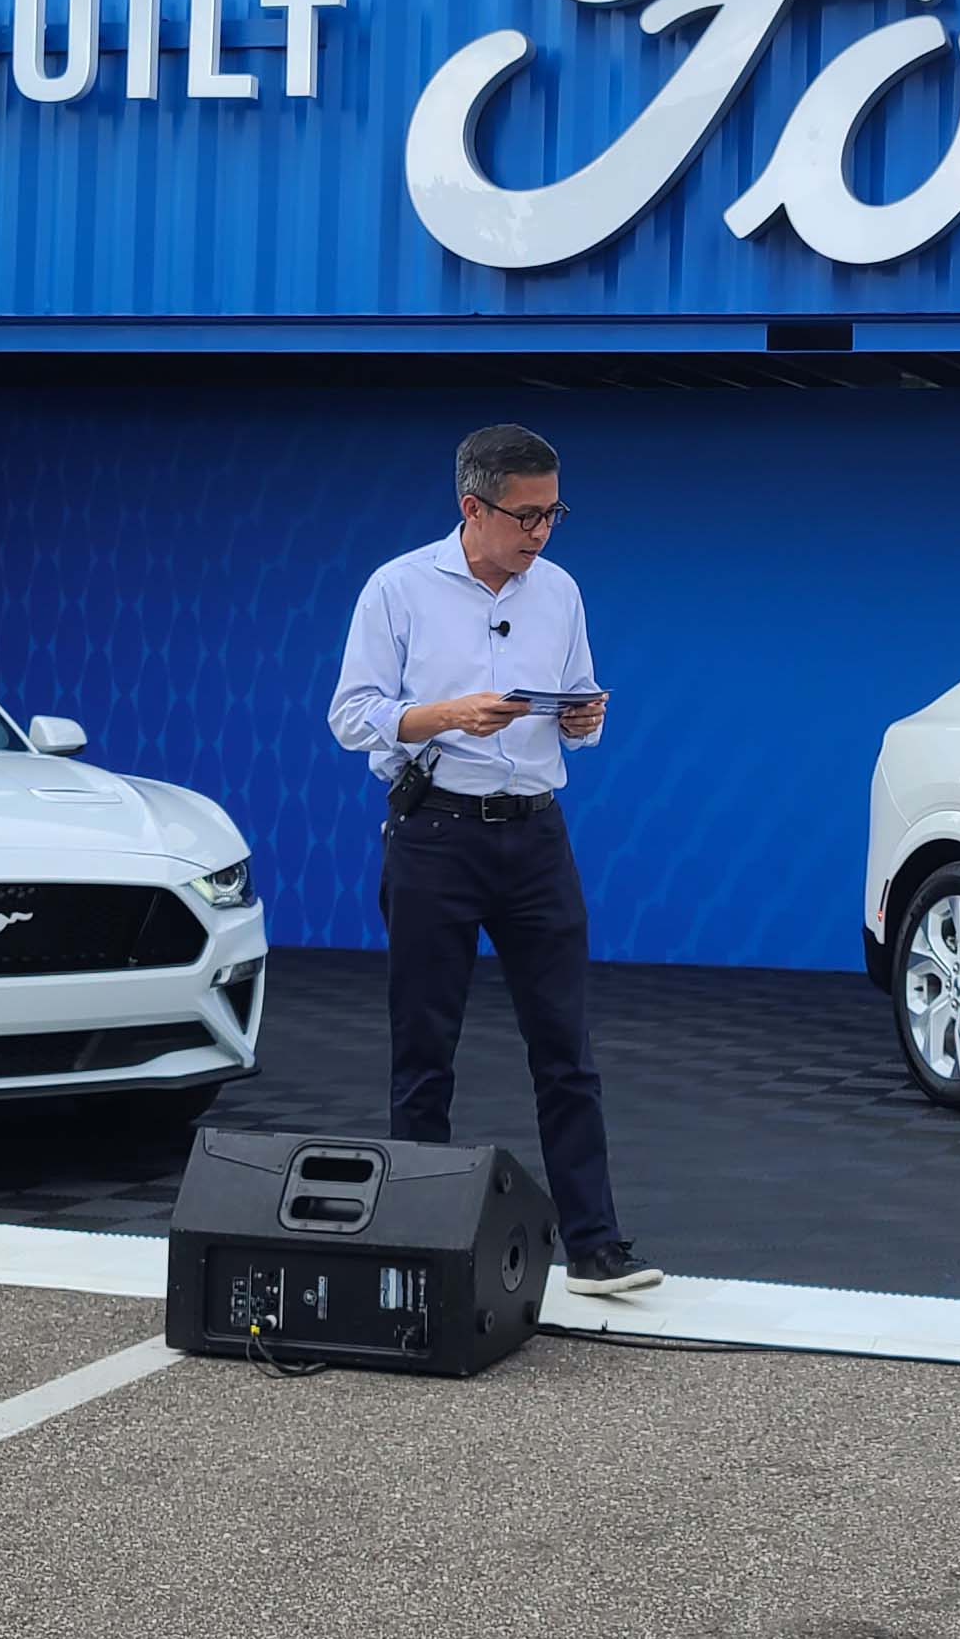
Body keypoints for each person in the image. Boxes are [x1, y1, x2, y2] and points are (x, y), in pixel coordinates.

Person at [327, 423, 660, 1297]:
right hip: (436, 832)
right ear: (472, 507)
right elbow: (352, 713)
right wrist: (445, 715)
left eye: (554, 515)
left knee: (565, 1048)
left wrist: (585, 720)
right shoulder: (397, 588)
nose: (541, 533)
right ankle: (412, 1248)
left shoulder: (560, 591)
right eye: (526, 516)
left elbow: (578, 699)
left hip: (536, 835)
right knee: (425, 1048)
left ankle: (594, 1244)